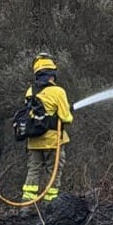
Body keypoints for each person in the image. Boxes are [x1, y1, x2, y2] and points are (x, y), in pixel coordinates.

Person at [21, 53, 74, 202]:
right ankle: (50, 204)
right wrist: (69, 111)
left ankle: (27, 205)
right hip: (53, 141)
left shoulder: (30, 91)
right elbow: (66, 118)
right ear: (52, 74)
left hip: (33, 141)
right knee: (54, 172)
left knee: (33, 171)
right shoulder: (58, 92)